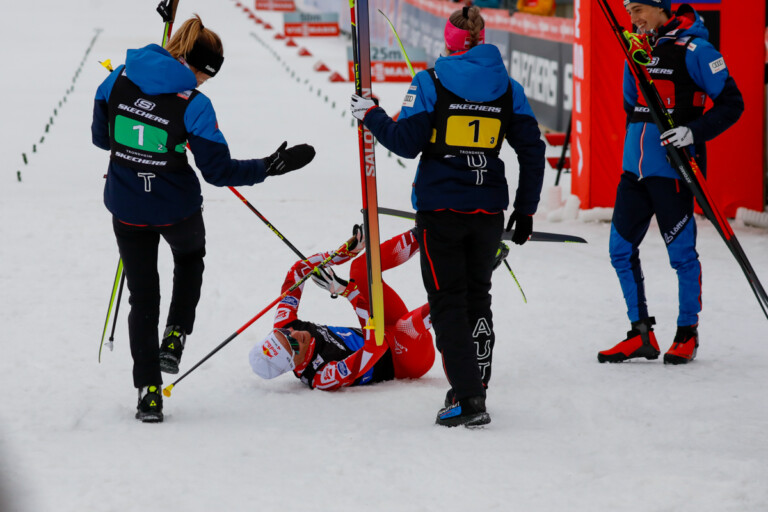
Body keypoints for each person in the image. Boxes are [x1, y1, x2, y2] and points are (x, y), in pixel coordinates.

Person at [91, 15, 316, 422]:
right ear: (197, 66)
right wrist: (272, 165)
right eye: (204, 76)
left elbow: (101, 137)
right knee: (189, 259)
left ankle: (149, 394)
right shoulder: (195, 104)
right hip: (176, 209)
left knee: (143, 297)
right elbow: (219, 172)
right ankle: (176, 334)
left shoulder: (118, 77)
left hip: (127, 207)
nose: (204, 84)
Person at [350, 6, 545, 427]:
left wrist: (370, 114)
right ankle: (473, 382)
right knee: (478, 297)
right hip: (488, 209)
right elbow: (533, 149)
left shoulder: (431, 81)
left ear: (449, 42)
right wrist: (525, 210)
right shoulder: (507, 87)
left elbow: (405, 141)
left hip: (441, 211)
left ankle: (470, 397)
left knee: (447, 304)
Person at [598, 1, 743, 365]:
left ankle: (686, 333)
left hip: (672, 172)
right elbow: (632, 105)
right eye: (629, 12)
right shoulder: (641, 48)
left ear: (660, 7)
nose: (633, 19)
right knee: (619, 251)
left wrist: (693, 131)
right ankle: (640, 333)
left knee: (681, 256)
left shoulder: (696, 49)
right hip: (635, 171)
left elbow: (732, 104)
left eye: (638, 10)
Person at [249, 227, 436, 391]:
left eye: (284, 333)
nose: (295, 334)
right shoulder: (322, 376)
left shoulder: (287, 324)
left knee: (360, 269)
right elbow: (375, 346)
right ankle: (457, 298)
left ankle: (426, 232)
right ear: (292, 364)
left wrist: (343, 253)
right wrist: (349, 293)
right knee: (405, 327)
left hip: (381, 328)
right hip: (403, 360)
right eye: (294, 346)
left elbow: (297, 272)